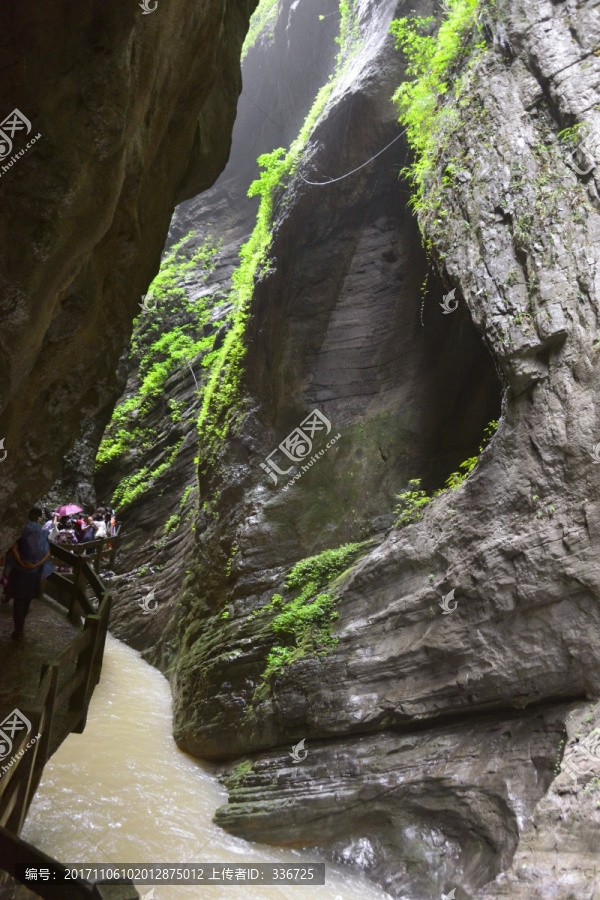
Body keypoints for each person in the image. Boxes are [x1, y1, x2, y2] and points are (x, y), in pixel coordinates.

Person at [1, 508, 54, 640]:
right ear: (38, 518)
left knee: (18, 600)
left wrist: (21, 562)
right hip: (34, 573)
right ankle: (21, 626)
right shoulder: (41, 533)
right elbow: (47, 553)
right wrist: (35, 565)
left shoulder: (21, 530)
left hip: (19, 572)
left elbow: (13, 547)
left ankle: (18, 629)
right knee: (27, 599)